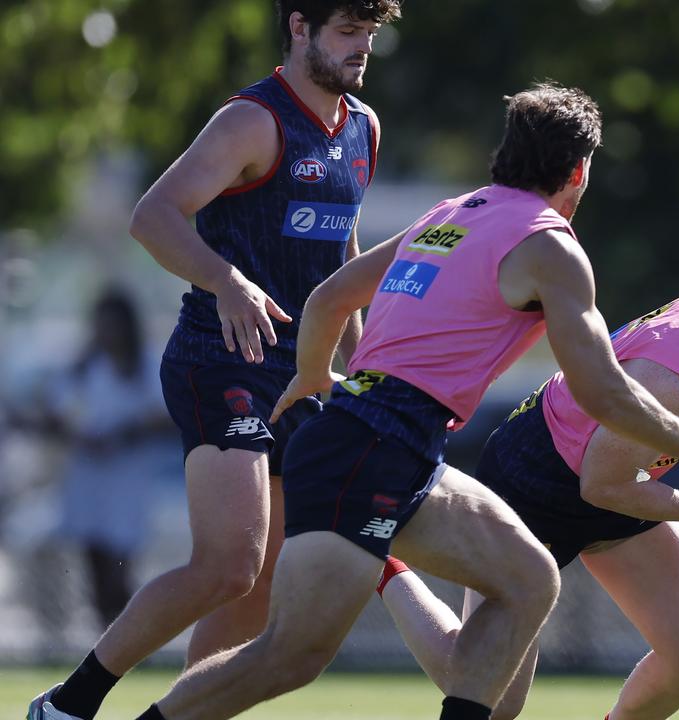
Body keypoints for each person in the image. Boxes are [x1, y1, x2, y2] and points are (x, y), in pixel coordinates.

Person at [124, 82, 679, 720]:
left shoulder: (453, 211)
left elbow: (328, 298)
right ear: (578, 172)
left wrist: (319, 378)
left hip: (383, 438)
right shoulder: (552, 246)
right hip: (378, 444)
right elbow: (602, 390)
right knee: (288, 657)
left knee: (528, 580)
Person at [27, 2, 403, 719]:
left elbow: (343, 261)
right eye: (347, 32)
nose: (362, 50)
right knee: (228, 564)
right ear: (299, 27)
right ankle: (68, 705)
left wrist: (362, 371)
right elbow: (153, 216)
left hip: (303, 372)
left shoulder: (363, 126)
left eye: (371, 35)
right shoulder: (251, 120)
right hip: (221, 359)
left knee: (259, 583)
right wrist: (226, 280)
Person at [379, 227, 679, 720]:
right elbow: (603, 485)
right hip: (535, 483)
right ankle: (385, 567)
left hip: (620, 475)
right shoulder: (670, 380)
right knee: (490, 694)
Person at [42, 288, 174, 630]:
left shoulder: (146, 364)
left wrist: (123, 432)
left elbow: (164, 415)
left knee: (122, 561)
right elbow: (58, 413)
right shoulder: (83, 368)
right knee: (95, 559)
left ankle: (129, 633)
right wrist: (80, 435)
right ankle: (108, 637)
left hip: (128, 477)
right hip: (88, 477)